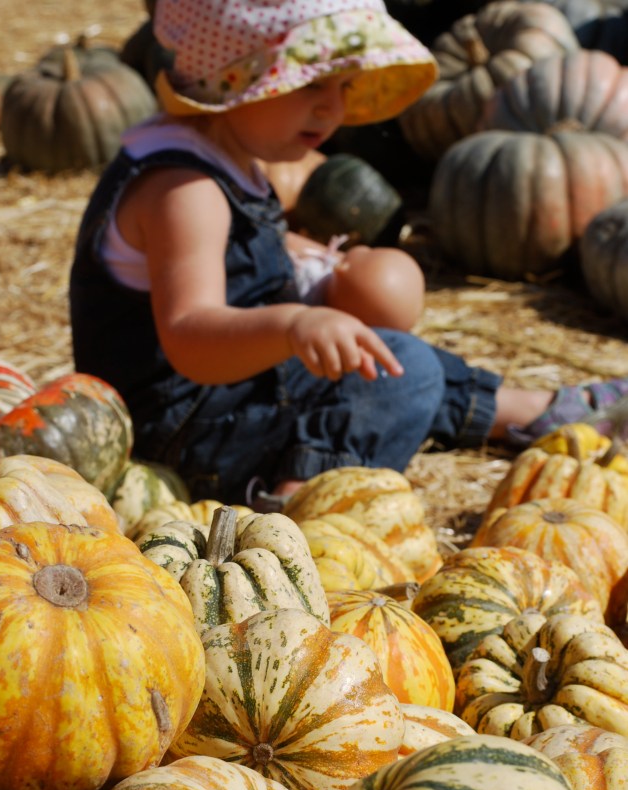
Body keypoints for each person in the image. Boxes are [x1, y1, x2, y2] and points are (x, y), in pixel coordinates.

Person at [69, 0, 628, 507]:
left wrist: (304, 263)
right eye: (314, 85)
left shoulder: (213, 154)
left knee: (390, 356)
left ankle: (523, 413)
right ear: (236, 76)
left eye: (344, 87)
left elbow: (224, 261)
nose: (333, 109)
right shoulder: (184, 191)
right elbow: (190, 336)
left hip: (227, 396)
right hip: (190, 432)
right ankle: (298, 502)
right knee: (398, 376)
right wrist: (294, 323)